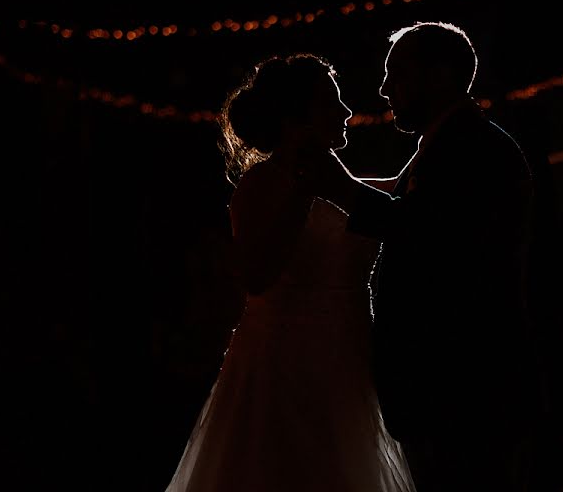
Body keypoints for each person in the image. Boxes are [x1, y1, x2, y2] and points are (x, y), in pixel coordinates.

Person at [163, 53, 416, 492]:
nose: (346, 112)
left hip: (348, 361)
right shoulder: (260, 185)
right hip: (283, 362)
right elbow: (258, 276)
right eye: (331, 103)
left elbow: (399, 207)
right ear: (298, 115)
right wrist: (303, 190)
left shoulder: (349, 187)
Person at [307, 22, 538, 492]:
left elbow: (427, 232)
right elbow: (413, 207)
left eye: (397, 74)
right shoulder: (451, 143)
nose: (384, 88)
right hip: (448, 378)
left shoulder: (475, 148)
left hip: (462, 379)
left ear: (440, 76)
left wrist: (341, 189)